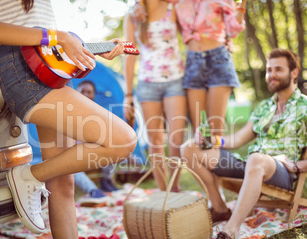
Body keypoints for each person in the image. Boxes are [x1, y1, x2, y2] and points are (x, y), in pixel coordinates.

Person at [0, 1, 137, 239]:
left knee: (63, 185)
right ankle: (28, 176)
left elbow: (40, 29)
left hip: (48, 64)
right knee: (124, 140)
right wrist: (57, 36)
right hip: (20, 68)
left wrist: (85, 48)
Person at [181, 48, 307, 239]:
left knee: (256, 159)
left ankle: (230, 233)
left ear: (294, 73)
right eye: (269, 70)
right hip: (251, 165)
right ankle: (220, 207)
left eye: (278, 69)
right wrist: (213, 141)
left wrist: (297, 166)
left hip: (281, 172)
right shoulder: (264, 107)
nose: (272, 74)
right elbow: (238, 139)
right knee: (188, 148)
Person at [132, 0, 246, 136]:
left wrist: (243, 5)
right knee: (198, 131)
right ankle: (198, 156)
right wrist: (138, 3)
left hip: (218, 60)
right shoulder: (177, 2)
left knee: (215, 129)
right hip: (193, 62)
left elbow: (233, 31)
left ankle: (217, 157)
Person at [123, 0, 187, 191]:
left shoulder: (173, 7)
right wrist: (128, 94)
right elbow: (129, 54)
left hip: (175, 80)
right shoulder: (133, 15)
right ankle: (162, 191)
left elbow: (193, 34)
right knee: (156, 141)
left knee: (176, 138)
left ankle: (174, 188)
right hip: (147, 84)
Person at [75, 80, 119, 194]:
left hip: (92, 151)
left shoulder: (97, 113)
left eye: (89, 92)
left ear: (93, 95)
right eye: (83, 91)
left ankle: (107, 181)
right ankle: (93, 190)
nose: (85, 94)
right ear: (76, 91)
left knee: (112, 147)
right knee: (69, 166)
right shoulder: (69, 111)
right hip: (74, 152)